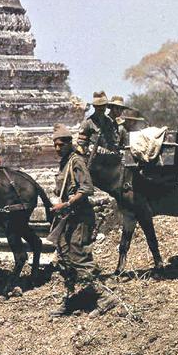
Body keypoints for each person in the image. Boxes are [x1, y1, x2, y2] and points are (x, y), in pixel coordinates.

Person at [48, 125, 111, 316]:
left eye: (61, 145)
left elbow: (86, 188)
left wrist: (66, 204)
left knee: (78, 255)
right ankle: (71, 298)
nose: (57, 148)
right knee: (64, 257)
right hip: (67, 217)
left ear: (69, 143)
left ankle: (104, 296)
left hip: (80, 216)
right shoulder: (64, 162)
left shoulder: (76, 161)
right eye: (55, 145)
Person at [80, 91, 120, 156]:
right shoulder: (87, 123)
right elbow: (81, 144)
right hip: (92, 159)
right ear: (94, 106)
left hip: (108, 158)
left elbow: (114, 141)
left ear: (106, 106)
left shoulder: (109, 122)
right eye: (98, 106)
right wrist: (90, 148)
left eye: (103, 105)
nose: (101, 108)